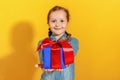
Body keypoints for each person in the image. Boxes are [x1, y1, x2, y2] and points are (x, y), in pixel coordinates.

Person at [36, 5, 79, 80]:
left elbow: (69, 56)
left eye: (62, 21)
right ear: (48, 23)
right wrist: (45, 67)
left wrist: (59, 62)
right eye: (53, 21)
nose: (57, 24)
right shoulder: (42, 43)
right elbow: (44, 64)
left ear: (67, 23)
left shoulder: (73, 42)